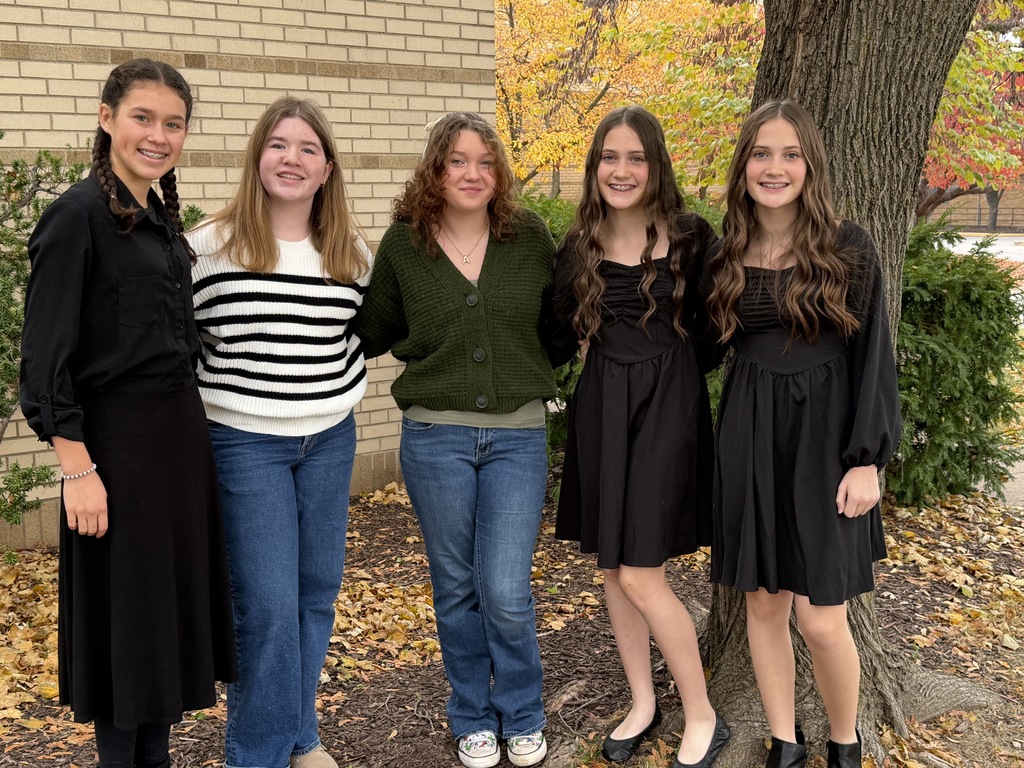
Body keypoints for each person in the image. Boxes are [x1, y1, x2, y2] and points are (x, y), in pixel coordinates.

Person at [19, 58, 237, 768]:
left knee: (160, 637)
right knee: (125, 641)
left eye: (173, 123)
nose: (158, 134)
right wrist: (76, 467)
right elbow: (45, 361)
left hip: (176, 454)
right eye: (143, 117)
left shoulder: (159, 222)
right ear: (107, 118)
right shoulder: (76, 217)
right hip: (113, 459)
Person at [705, 99, 902, 768]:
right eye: (762, 152)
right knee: (763, 606)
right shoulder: (726, 249)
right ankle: (784, 744)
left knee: (820, 618)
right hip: (751, 439)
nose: (775, 166)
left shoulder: (848, 246)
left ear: (810, 164)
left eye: (790, 154)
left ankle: (843, 745)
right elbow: (697, 346)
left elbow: (874, 356)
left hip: (826, 447)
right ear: (744, 165)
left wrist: (868, 460)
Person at [355, 112, 556, 768]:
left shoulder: (529, 239)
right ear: (435, 170)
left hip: (517, 438)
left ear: (499, 173)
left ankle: (522, 711)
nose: (473, 174)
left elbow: (559, 327)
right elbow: (370, 329)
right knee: (455, 584)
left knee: (504, 587)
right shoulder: (403, 245)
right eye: (458, 161)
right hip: (434, 437)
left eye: (485, 162)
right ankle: (471, 712)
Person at [187, 96, 371, 768]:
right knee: (265, 607)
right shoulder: (206, 248)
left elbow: (356, 340)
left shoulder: (351, 254)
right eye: (279, 145)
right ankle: (257, 754)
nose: (292, 159)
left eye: (307, 149)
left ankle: (300, 735)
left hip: (329, 436)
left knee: (314, 593)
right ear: (257, 157)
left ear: (327, 170)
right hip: (243, 442)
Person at [552, 106, 730, 768]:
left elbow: (714, 335)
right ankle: (642, 703)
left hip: (667, 406)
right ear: (595, 166)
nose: (620, 171)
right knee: (610, 573)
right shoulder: (579, 248)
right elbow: (558, 331)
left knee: (641, 573)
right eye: (608, 157)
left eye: (635, 158)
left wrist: (669, 374)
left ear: (656, 166)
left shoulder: (691, 239)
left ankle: (704, 713)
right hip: (602, 406)